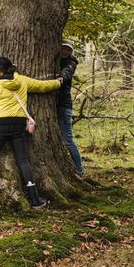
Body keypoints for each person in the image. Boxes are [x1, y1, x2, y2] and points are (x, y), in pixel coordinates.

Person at [0, 56, 63, 208]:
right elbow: (42, 86)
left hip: (0, 125)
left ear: (1, 71)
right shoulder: (22, 80)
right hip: (17, 125)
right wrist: (58, 82)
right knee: (23, 160)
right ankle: (35, 199)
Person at [57, 40, 84, 174]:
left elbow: (67, 72)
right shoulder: (55, 59)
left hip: (64, 105)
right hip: (54, 105)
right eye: (63, 48)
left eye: (68, 50)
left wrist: (61, 78)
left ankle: (80, 170)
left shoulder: (71, 62)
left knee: (68, 140)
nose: (65, 51)